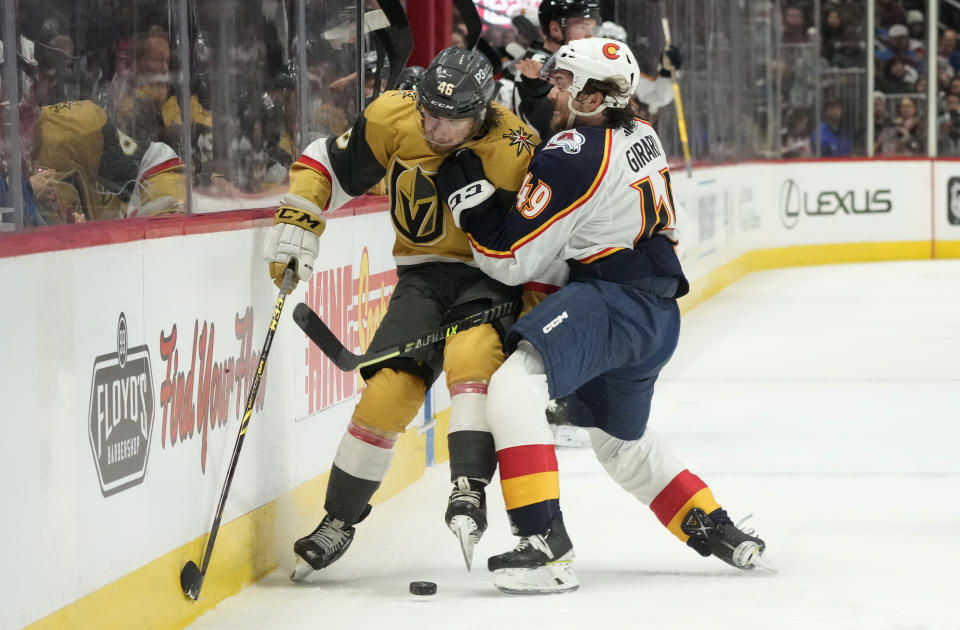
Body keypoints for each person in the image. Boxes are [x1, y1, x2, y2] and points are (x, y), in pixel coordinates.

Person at [437, 36, 766, 594]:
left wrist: (467, 195)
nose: (554, 90)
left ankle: (543, 545)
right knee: (620, 444)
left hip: (616, 304)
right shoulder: (643, 133)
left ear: (593, 97)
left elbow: (510, 260)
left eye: (565, 83)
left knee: (514, 385)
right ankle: (714, 527)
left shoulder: (575, 153)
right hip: (657, 316)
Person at [261, 47, 541, 578]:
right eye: (429, 114)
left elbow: (546, 236)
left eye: (451, 120)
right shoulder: (394, 114)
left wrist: (537, 310)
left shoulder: (518, 147)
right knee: (388, 388)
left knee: (472, 358)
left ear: (481, 112)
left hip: (493, 276)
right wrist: (302, 214)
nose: (435, 127)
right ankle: (338, 519)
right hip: (424, 278)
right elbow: (328, 162)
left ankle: (469, 489)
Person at [508, 0, 681, 137]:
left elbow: (653, 95)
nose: (591, 35)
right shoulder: (539, 65)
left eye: (592, 28)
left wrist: (666, 73)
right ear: (555, 29)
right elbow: (561, 131)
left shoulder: (585, 62)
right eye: (582, 27)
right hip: (557, 168)